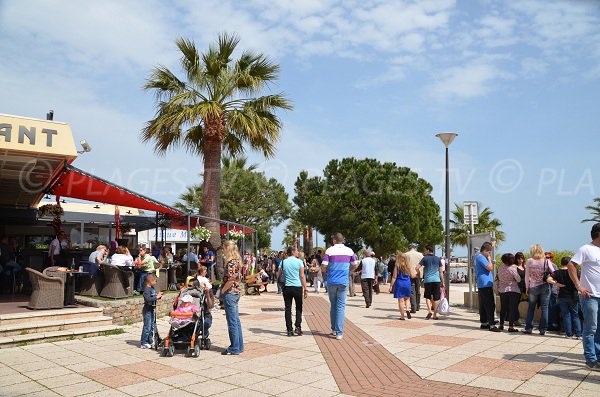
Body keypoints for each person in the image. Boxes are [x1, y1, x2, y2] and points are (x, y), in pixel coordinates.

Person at [567, 223, 600, 371]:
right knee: (590, 327)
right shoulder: (586, 249)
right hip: (590, 295)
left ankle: (598, 357)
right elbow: (571, 265)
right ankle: (590, 359)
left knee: (599, 328)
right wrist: (578, 286)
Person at [322, 232, 359, 340]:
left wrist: (329, 271)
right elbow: (355, 264)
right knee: (341, 307)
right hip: (343, 281)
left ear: (334, 240)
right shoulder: (349, 251)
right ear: (342, 240)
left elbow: (324, 266)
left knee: (333, 305)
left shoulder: (329, 250)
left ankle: (334, 329)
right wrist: (348, 271)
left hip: (332, 281)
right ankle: (339, 332)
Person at [523, 244, 557, 335]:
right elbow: (554, 272)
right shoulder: (546, 261)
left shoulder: (529, 261)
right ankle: (543, 329)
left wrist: (527, 287)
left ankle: (529, 328)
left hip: (533, 287)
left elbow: (526, 276)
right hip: (545, 286)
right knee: (545, 308)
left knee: (531, 308)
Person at [549, 256, 582, 340]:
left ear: (561, 263)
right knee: (575, 315)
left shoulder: (557, 272)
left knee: (566, 315)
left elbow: (548, 279)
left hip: (562, 296)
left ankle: (568, 334)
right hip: (573, 295)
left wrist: (557, 284)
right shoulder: (574, 272)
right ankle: (578, 334)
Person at [220, 240, 243, 355]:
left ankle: (234, 347)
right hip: (235, 292)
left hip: (230, 293)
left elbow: (231, 279)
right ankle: (239, 346)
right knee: (236, 321)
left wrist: (222, 291)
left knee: (232, 322)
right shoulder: (237, 262)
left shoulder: (231, 263)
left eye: (224, 248)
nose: (223, 251)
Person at [279, 246, 308, 336]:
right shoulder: (300, 262)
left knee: (288, 308)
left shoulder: (283, 262)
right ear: (292, 252)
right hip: (297, 287)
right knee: (298, 307)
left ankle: (289, 330)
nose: (298, 252)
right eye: (296, 250)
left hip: (287, 287)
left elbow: (279, 274)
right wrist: (305, 288)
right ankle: (298, 327)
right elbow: (302, 276)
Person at [474, 242, 499, 331]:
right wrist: (489, 259)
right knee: (490, 305)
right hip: (485, 284)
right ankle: (491, 325)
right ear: (484, 251)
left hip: (482, 284)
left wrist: (491, 245)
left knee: (483, 305)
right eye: (488, 252)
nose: (489, 254)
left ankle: (484, 323)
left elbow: (486, 245)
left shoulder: (478, 256)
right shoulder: (481, 257)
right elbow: (490, 267)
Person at [417, 245, 444, 321]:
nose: (424, 252)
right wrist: (442, 281)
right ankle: (435, 314)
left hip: (428, 280)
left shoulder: (425, 258)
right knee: (436, 298)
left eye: (425, 250)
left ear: (428, 250)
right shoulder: (437, 258)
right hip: (436, 280)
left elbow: (417, 267)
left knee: (428, 296)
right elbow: (441, 271)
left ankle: (429, 311)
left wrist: (418, 274)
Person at [497, 253, 521, 332]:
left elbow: (499, 277)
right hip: (513, 290)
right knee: (512, 308)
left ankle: (501, 325)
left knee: (503, 308)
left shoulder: (500, 267)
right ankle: (511, 326)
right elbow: (518, 279)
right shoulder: (512, 269)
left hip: (502, 290)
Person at [390, 253, 415, 320]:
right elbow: (412, 275)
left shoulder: (397, 266)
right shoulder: (408, 266)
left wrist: (391, 286)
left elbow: (394, 277)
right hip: (407, 283)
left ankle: (402, 316)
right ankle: (407, 309)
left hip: (399, 283)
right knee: (407, 298)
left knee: (401, 301)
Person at [141, 274, 162, 348]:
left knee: (152, 326)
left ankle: (150, 341)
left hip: (152, 309)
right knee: (147, 326)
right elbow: (148, 299)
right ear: (150, 281)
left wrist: (158, 296)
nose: (156, 282)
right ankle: (144, 342)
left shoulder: (152, 288)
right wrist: (156, 297)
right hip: (147, 309)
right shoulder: (146, 289)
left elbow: (153, 297)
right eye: (155, 281)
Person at [405, 243, 423, 313]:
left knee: (412, 291)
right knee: (418, 290)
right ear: (415, 247)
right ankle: (418, 306)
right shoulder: (420, 254)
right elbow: (422, 266)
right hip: (418, 275)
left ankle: (413, 307)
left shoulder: (406, 255)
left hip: (409, 274)